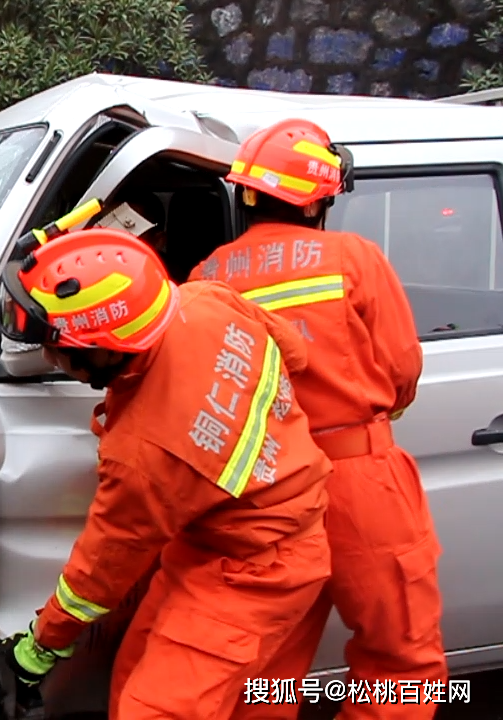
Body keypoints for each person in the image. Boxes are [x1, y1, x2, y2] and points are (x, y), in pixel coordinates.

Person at [0, 226, 335, 719]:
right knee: (153, 678)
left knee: (153, 710)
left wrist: (43, 643)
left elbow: (99, 571)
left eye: (59, 347)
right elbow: (295, 354)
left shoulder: (143, 452)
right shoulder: (206, 299)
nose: (51, 358)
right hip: (228, 543)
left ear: (108, 350)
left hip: (255, 572)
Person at [190, 118, 447, 718]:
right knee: (402, 660)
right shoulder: (353, 258)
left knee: (265, 672)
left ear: (246, 194)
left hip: (263, 493)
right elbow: (402, 370)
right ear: (321, 200)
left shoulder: (206, 278)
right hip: (360, 478)